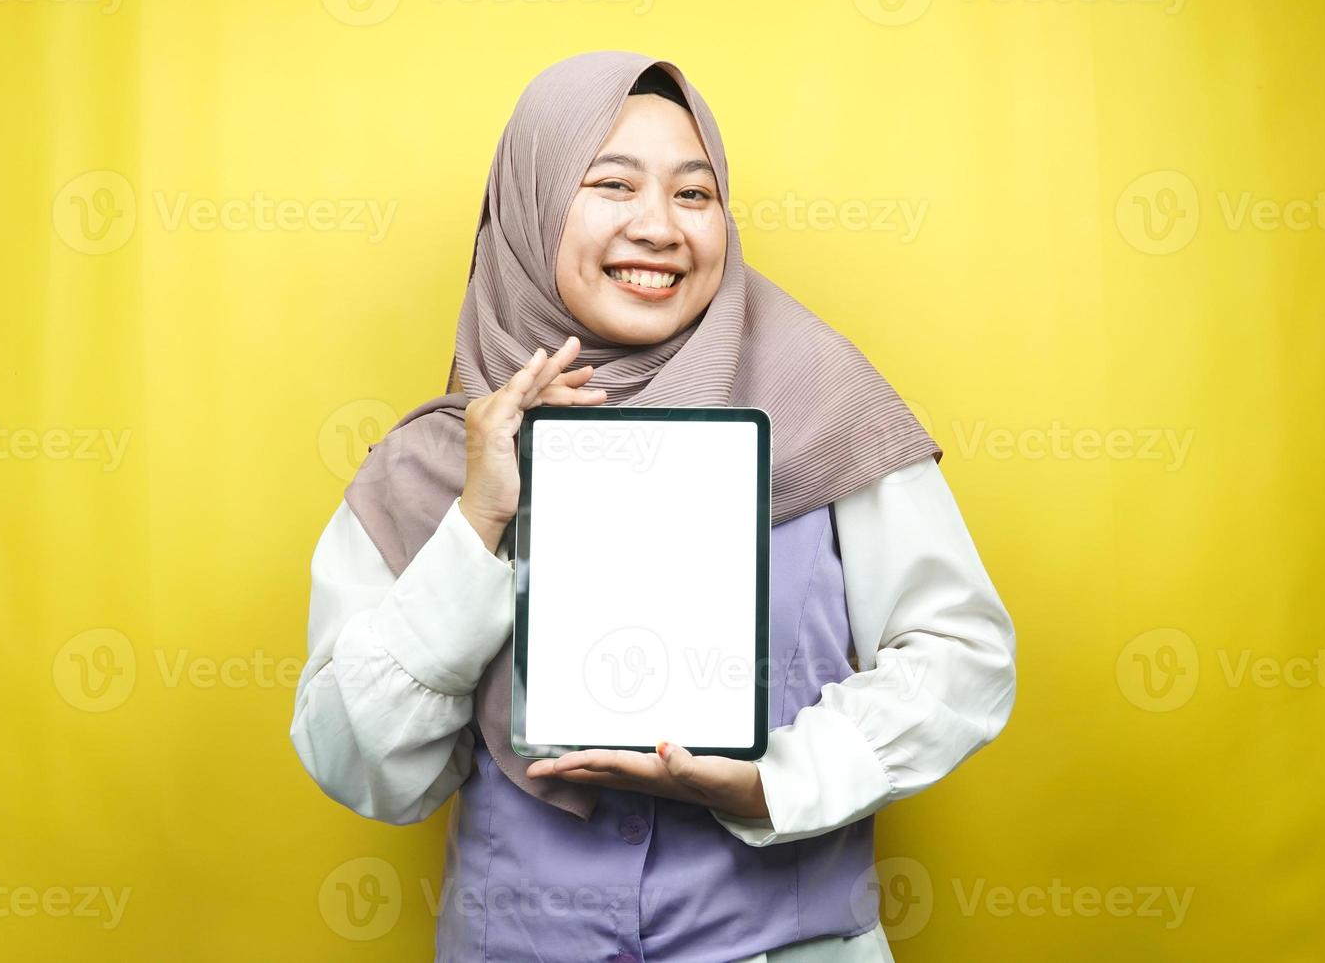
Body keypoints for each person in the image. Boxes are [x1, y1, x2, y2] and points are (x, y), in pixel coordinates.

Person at [289, 50, 1017, 963]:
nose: (659, 227)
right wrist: (478, 523)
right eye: (611, 184)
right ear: (532, 205)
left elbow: (963, 657)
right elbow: (360, 769)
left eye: (694, 194)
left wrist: (775, 786)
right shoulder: (432, 467)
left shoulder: (823, 404)